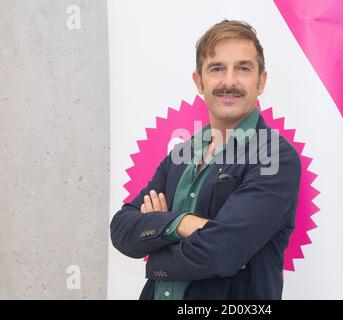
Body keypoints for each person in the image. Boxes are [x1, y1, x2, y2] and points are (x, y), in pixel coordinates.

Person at [110, 20, 301, 300]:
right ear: (199, 82)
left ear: (261, 82)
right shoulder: (181, 155)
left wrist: (157, 248)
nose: (229, 81)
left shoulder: (275, 158)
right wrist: (185, 223)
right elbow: (122, 229)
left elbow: (222, 253)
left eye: (243, 68)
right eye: (217, 69)